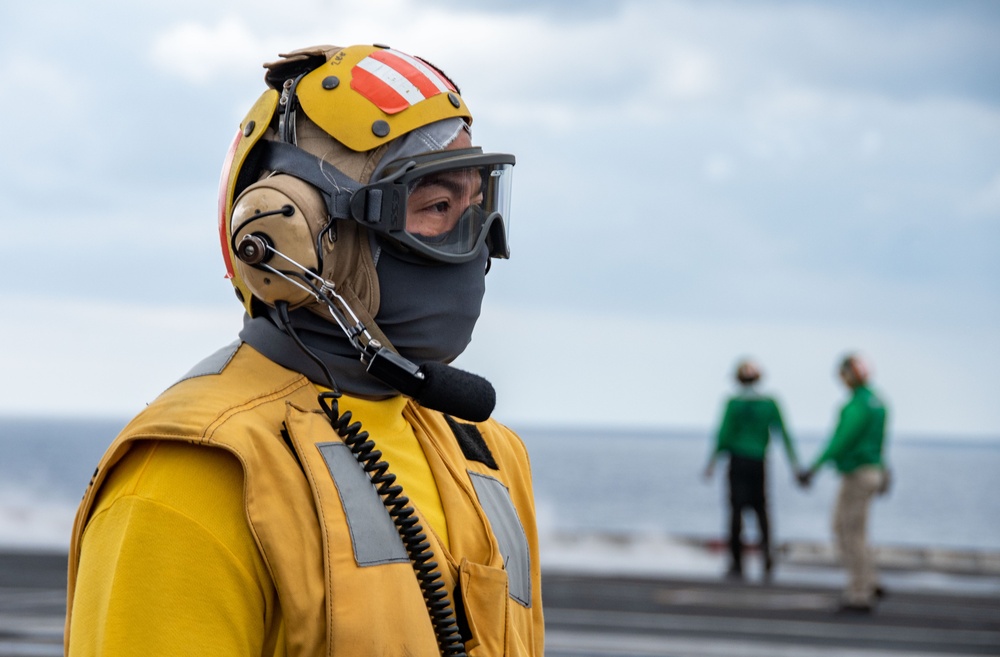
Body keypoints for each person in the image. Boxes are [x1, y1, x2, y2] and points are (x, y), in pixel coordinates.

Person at [64, 43, 544, 656]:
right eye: (438, 207)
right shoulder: (193, 476)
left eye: (478, 206)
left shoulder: (489, 457)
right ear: (292, 234)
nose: (474, 244)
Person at [798, 353, 889, 614]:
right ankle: (870, 580)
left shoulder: (855, 406)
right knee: (855, 529)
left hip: (857, 474)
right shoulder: (878, 403)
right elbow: (880, 441)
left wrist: (814, 468)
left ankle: (860, 592)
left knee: (848, 530)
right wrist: (883, 468)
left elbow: (841, 441)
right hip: (872, 471)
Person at [704, 359, 799, 581]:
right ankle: (767, 557)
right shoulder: (769, 403)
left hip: (737, 461)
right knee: (762, 510)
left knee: (735, 511)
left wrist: (712, 462)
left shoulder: (733, 403)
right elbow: (784, 434)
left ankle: (736, 563)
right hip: (759, 461)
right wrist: (794, 465)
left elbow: (723, 435)